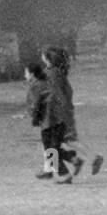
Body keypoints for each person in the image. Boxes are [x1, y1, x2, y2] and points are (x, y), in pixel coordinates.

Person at [40, 46, 102, 183]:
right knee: (60, 141)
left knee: (60, 141)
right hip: (62, 112)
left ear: (48, 59)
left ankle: (90, 159)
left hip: (57, 114)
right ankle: (68, 164)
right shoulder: (58, 72)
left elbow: (56, 95)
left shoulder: (51, 74)